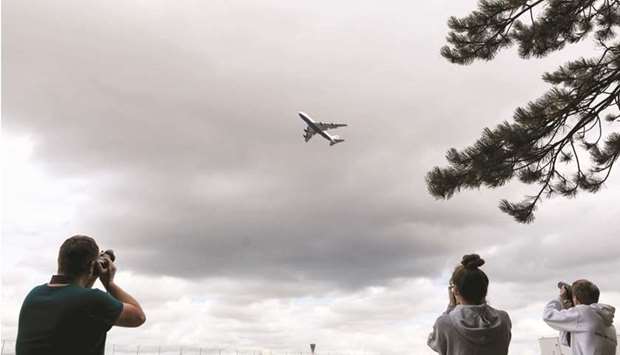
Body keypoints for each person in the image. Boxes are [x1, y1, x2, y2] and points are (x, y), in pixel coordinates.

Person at [16, 235, 146, 355]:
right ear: (92, 265)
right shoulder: (93, 300)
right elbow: (138, 317)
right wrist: (109, 283)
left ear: (59, 260)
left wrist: (90, 276)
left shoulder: (34, 295)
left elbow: (75, 299)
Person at [427, 254, 511, 355]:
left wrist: (451, 306)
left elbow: (434, 342)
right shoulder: (503, 319)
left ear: (456, 291)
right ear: (484, 289)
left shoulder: (445, 323)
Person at [543, 279, 617, 355]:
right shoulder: (609, 325)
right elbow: (566, 341)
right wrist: (567, 308)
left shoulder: (583, 313)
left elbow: (548, 315)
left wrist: (560, 298)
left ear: (575, 299)